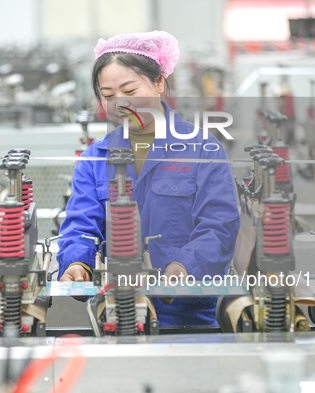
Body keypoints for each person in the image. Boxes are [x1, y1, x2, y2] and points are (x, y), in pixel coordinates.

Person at [56, 31, 240, 326]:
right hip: (118, 310)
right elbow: (81, 224)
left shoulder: (202, 150)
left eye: (130, 92)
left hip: (188, 312)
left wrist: (184, 267)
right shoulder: (96, 156)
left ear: (158, 83)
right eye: (108, 96)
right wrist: (77, 263)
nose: (120, 104)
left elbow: (219, 225)